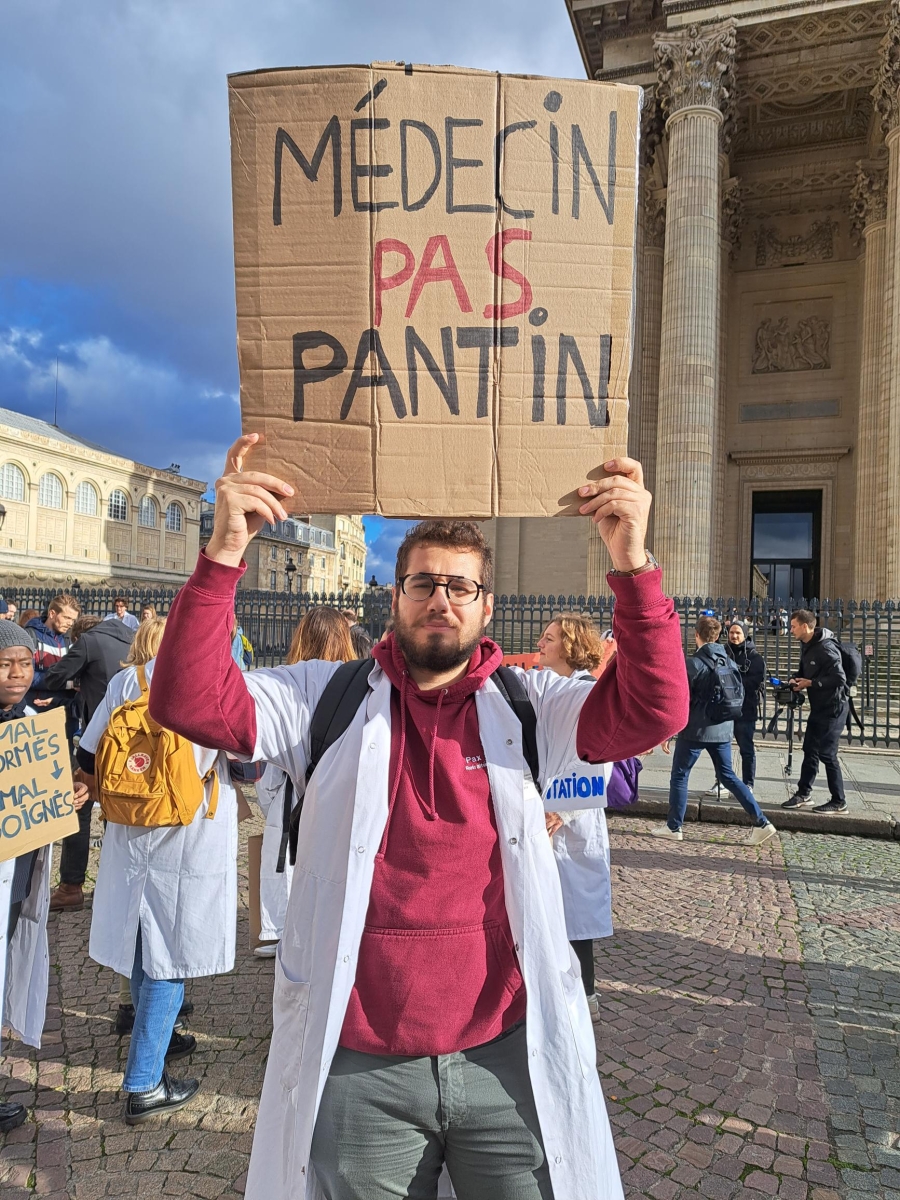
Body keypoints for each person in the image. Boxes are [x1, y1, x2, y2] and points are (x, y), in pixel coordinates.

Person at [149, 432, 688, 1200]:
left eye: (461, 586)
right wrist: (225, 552)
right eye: (423, 583)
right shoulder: (324, 697)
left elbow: (653, 711)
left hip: (507, 1054)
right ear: (394, 597)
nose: (441, 599)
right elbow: (189, 702)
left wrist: (633, 564)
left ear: (487, 605)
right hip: (361, 1064)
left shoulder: (533, 706)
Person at [76, 615, 238, 1123]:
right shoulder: (210, 684)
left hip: (130, 825)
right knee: (171, 953)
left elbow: (87, 752)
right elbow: (247, 761)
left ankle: (157, 1036)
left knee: (142, 939)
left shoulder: (130, 680)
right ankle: (145, 1081)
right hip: (186, 832)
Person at [0, 621, 89, 1132]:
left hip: (17, 877)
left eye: (24, 663)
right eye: (5, 664)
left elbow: (39, 793)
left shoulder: (33, 724)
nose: (17, 674)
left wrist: (66, 796)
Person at [254, 607, 356, 958]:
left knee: (290, 870)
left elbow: (268, 764)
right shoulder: (362, 684)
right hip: (344, 795)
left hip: (292, 797)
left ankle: (288, 935)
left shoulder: (287, 684)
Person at [535, 614, 620, 1019]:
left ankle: (585, 996)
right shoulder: (551, 688)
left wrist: (562, 809)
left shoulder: (589, 693)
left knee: (573, 914)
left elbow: (599, 758)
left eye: (549, 638)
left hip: (570, 819)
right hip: (545, 812)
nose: (540, 643)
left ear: (570, 647)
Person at [40, 611, 136, 913]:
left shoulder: (88, 642)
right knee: (118, 815)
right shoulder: (131, 639)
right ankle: (115, 889)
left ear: (78, 636)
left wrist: (74, 682)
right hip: (131, 742)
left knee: (79, 808)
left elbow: (55, 676)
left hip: (99, 740)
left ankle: (71, 887)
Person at [653, 615, 777, 845]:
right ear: (719, 635)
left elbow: (680, 701)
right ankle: (761, 822)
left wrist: (668, 732)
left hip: (695, 730)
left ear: (696, 635)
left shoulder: (692, 664)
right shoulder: (729, 661)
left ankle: (674, 826)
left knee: (680, 775)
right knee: (728, 776)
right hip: (723, 728)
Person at [781, 608, 848, 813]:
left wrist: (811, 683)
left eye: (793, 626)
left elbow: (839, 678)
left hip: (834, 707)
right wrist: (795, 679)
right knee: (810, 749)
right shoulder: (807, 645)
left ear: (805, 626)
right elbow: (805, 671)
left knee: (827, 753)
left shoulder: (826, 648)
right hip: (819, 707)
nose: (791, 630)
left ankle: (839, 801)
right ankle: (804, 794)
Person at [724, 621, 766, 792]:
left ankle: (748, 783)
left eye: (738, 633)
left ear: (745, 635)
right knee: (722, 748)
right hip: (725, 709)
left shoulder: (755, 657)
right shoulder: (723, 653)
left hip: (745, 709)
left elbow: (754, 681)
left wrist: (731, 682)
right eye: (731, 632)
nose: (734, 636)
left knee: (746, 749)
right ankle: (722, 782)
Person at [26, 592, 81, 693]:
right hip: (37, 701)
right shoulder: (30, 635)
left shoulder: (69, 640)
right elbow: (27, 676)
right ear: (52, 614)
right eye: (67, 618)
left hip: (64, 701)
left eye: (73, 620)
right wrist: (66, 684)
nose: (70, 623)